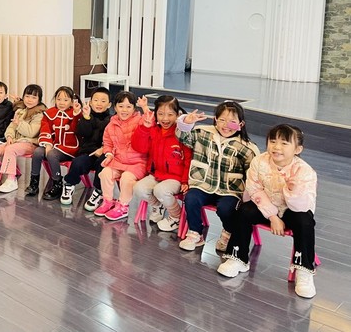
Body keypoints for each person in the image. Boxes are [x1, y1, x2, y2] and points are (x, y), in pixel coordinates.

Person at [217, 124, 318, 298]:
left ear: (297, 149)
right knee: (245, 210)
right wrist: (273, 217)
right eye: (273, 141)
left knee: (305, 221)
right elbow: (254, 189)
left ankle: (304, 271)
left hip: (292, 210)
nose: (276, 147)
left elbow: (303, 206)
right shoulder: (259, 161)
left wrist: (293, 191)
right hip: (266, 207)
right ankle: (238, 257)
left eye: (284, 143)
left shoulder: (305, 171)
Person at [176, 100, 260, 252]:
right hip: (203, 184)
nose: (226, 125)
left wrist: (248, 197)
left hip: (230, 190)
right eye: (222, 120)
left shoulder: (247, 147)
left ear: (241, 124)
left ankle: (228, 232)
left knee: (226, 209)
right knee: (191, 199)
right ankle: (195, 233)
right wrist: (186, 123)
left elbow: (253, 174)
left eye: (232, 121)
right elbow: (183, 137)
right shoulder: (202, 133)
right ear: (215, 119)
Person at [132, 95, 192, 231]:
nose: (165, 119)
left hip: (176, 178)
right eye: (160, 114)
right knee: (138, 188)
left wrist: (185, 181)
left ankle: (176, 216)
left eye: (170, 114)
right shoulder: (153, 129)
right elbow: (140, 148)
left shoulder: (182, 133)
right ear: (155, 114)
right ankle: (158, 205)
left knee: (161, 190)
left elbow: (189, 159)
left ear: (178, 114)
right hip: (156, 174)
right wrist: (145, 128)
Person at [93, 91, 148, 221]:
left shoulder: (139, 120)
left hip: (137, 163)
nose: (124, 110)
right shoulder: (111, 124)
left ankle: (123, 206)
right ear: (115, 107)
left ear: (134, 108)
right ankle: (108, 201)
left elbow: (150, 122)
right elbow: (107, 142)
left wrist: (145, 107)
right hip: (118, 161)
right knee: (105, 173)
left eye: (129, 107)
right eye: (121, 106)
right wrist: (109, 154)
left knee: (127, 178)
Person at [25, 86, 81, 200]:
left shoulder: (75, 113)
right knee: (37, 152)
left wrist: (76, 114)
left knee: (51, 154)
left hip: (68, 148)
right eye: (58, 99)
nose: (61, 103)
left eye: (66, 100)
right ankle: (34, 183)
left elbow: (77, 130)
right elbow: (45, 129)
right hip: (52, 144)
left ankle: (57, 183)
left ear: (72, 102)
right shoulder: (49, 113)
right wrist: (48, 144)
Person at [59, 87, 112, 208]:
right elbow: (83, 132)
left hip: (104, 153)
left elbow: (113, 139)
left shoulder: (111, 120)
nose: (99, 103)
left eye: (103, 101)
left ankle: (98, 191)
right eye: (96, 100)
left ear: (109, 104)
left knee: (102, 164)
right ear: (91, 102)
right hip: (88, 152)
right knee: (78, 162)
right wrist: (86, 117)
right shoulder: (87, 116)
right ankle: (69, 185)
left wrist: (103, 149)